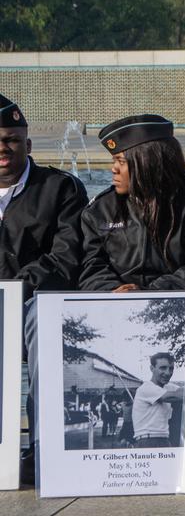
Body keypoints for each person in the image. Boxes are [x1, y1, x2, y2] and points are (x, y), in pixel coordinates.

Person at [0, 93, 88, 482]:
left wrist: (12, 291)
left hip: (35, 302)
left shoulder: (60, 188)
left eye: (11, 139)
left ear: (28, 144)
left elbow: (65, 258)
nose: (3, 148)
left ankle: (41, 450)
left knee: (43, 322)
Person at [79, 114, 185, 291]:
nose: (114, 169)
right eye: (114, 161)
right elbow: (89, 266)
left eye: (121, 161)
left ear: (149, 162)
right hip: (114, 306)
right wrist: (112, 291)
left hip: (178, 306)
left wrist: (152, 293)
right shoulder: (100, 210)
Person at [132, 353, 184, 448]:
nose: (168, 373)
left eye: (171, 368)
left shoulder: (168, 387)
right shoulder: (146, 388)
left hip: (164, 439)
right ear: (152, 369)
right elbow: (175, 396)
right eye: (163, 368)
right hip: (147, 440)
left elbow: (182, 392)